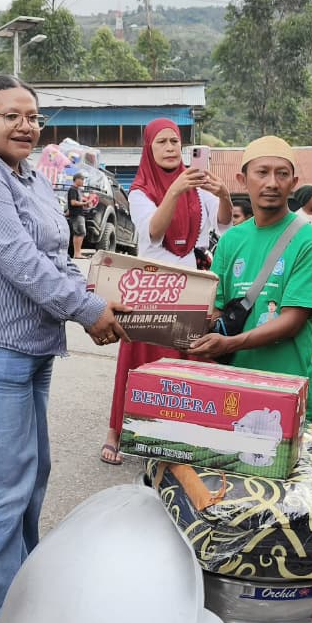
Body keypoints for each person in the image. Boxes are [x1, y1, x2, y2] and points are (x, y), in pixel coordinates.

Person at [0, 75, 127, 623]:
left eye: (32, 116)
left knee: (29, 474)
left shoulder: (30, 175)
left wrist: (91, 296)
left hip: (26, 350)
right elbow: (19, 261)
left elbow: (56, 255)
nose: (25, 125)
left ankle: (19, 588)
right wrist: (88, 312)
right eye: (10, 115)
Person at [99, 117, 230, 465]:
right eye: (162, 142)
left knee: (186, 364)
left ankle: (177, 435)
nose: (171, 147)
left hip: (192, 287)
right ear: (149, 148)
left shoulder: (199, 190)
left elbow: (224, 224)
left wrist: (224, 195)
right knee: (137, 363)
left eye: (175, 141)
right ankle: (116, 430)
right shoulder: (141, 190)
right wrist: (174, 191)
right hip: (151, 287)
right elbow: (153, 232)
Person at [188, 136, 312, 419]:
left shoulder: (311, 242)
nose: (272, 183)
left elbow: (291, 321)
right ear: (243, 179)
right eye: (262, 172)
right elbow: (217, 306)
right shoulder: (231, 240)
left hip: (287, 390)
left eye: (282, 174)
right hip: (232, 388)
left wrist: (228, 344)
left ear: (294, 182)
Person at [67, 172, 88, 259]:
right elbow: (73, 202)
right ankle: (77, 253)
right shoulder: (73, 189)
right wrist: (84, 203)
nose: (83, 181)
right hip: (76, 215)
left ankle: (77, 253)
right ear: (77, 179)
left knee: (80, 233)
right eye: (82, 179)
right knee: (79, 232)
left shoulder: (78, 190)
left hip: (78, 214)